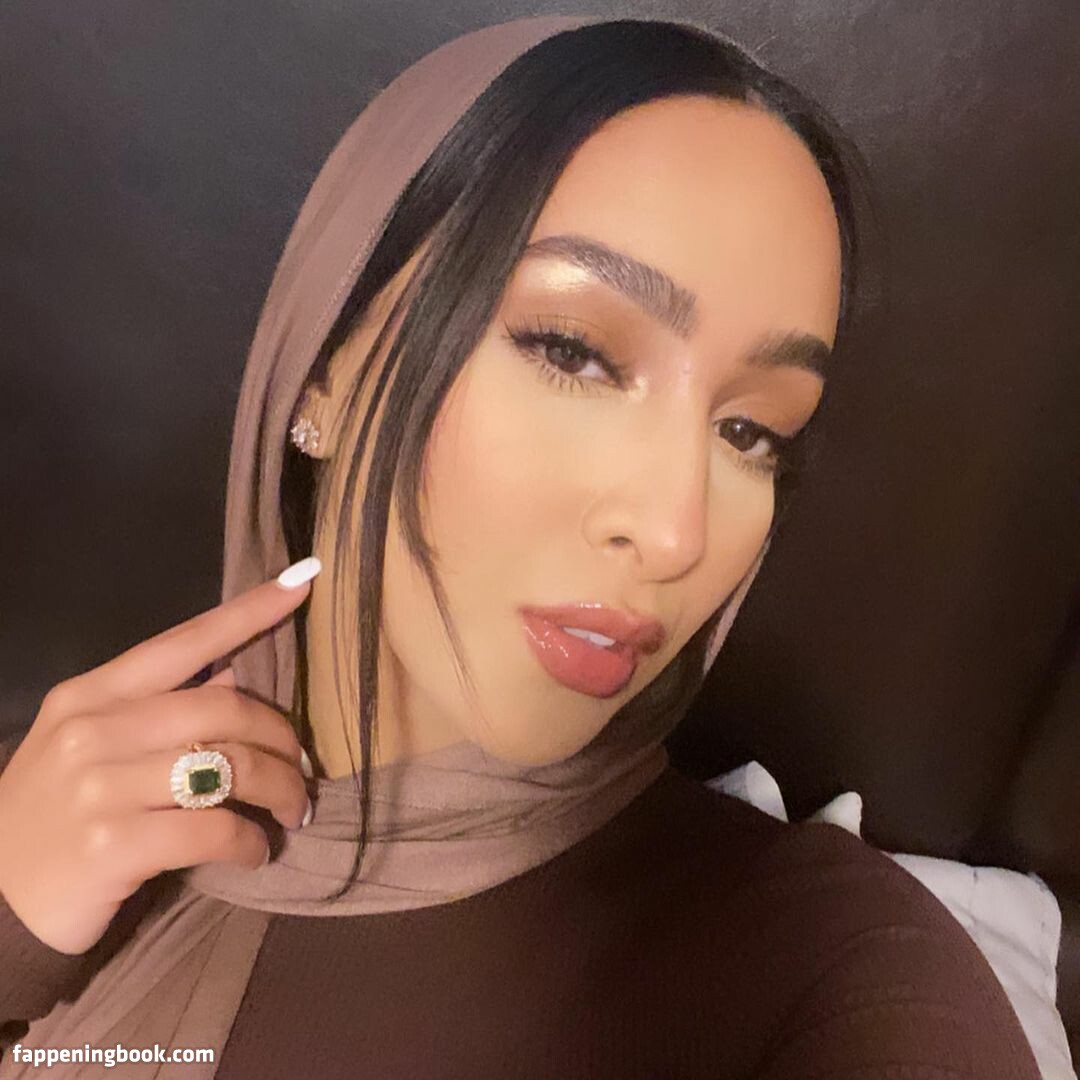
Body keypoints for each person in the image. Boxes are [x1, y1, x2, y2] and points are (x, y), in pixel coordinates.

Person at [0, 13, 1041, 1079]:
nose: (675, 534)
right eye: (574, 352)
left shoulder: (834, 964)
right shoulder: (67, 808)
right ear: (326, 368)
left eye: (750, 433)